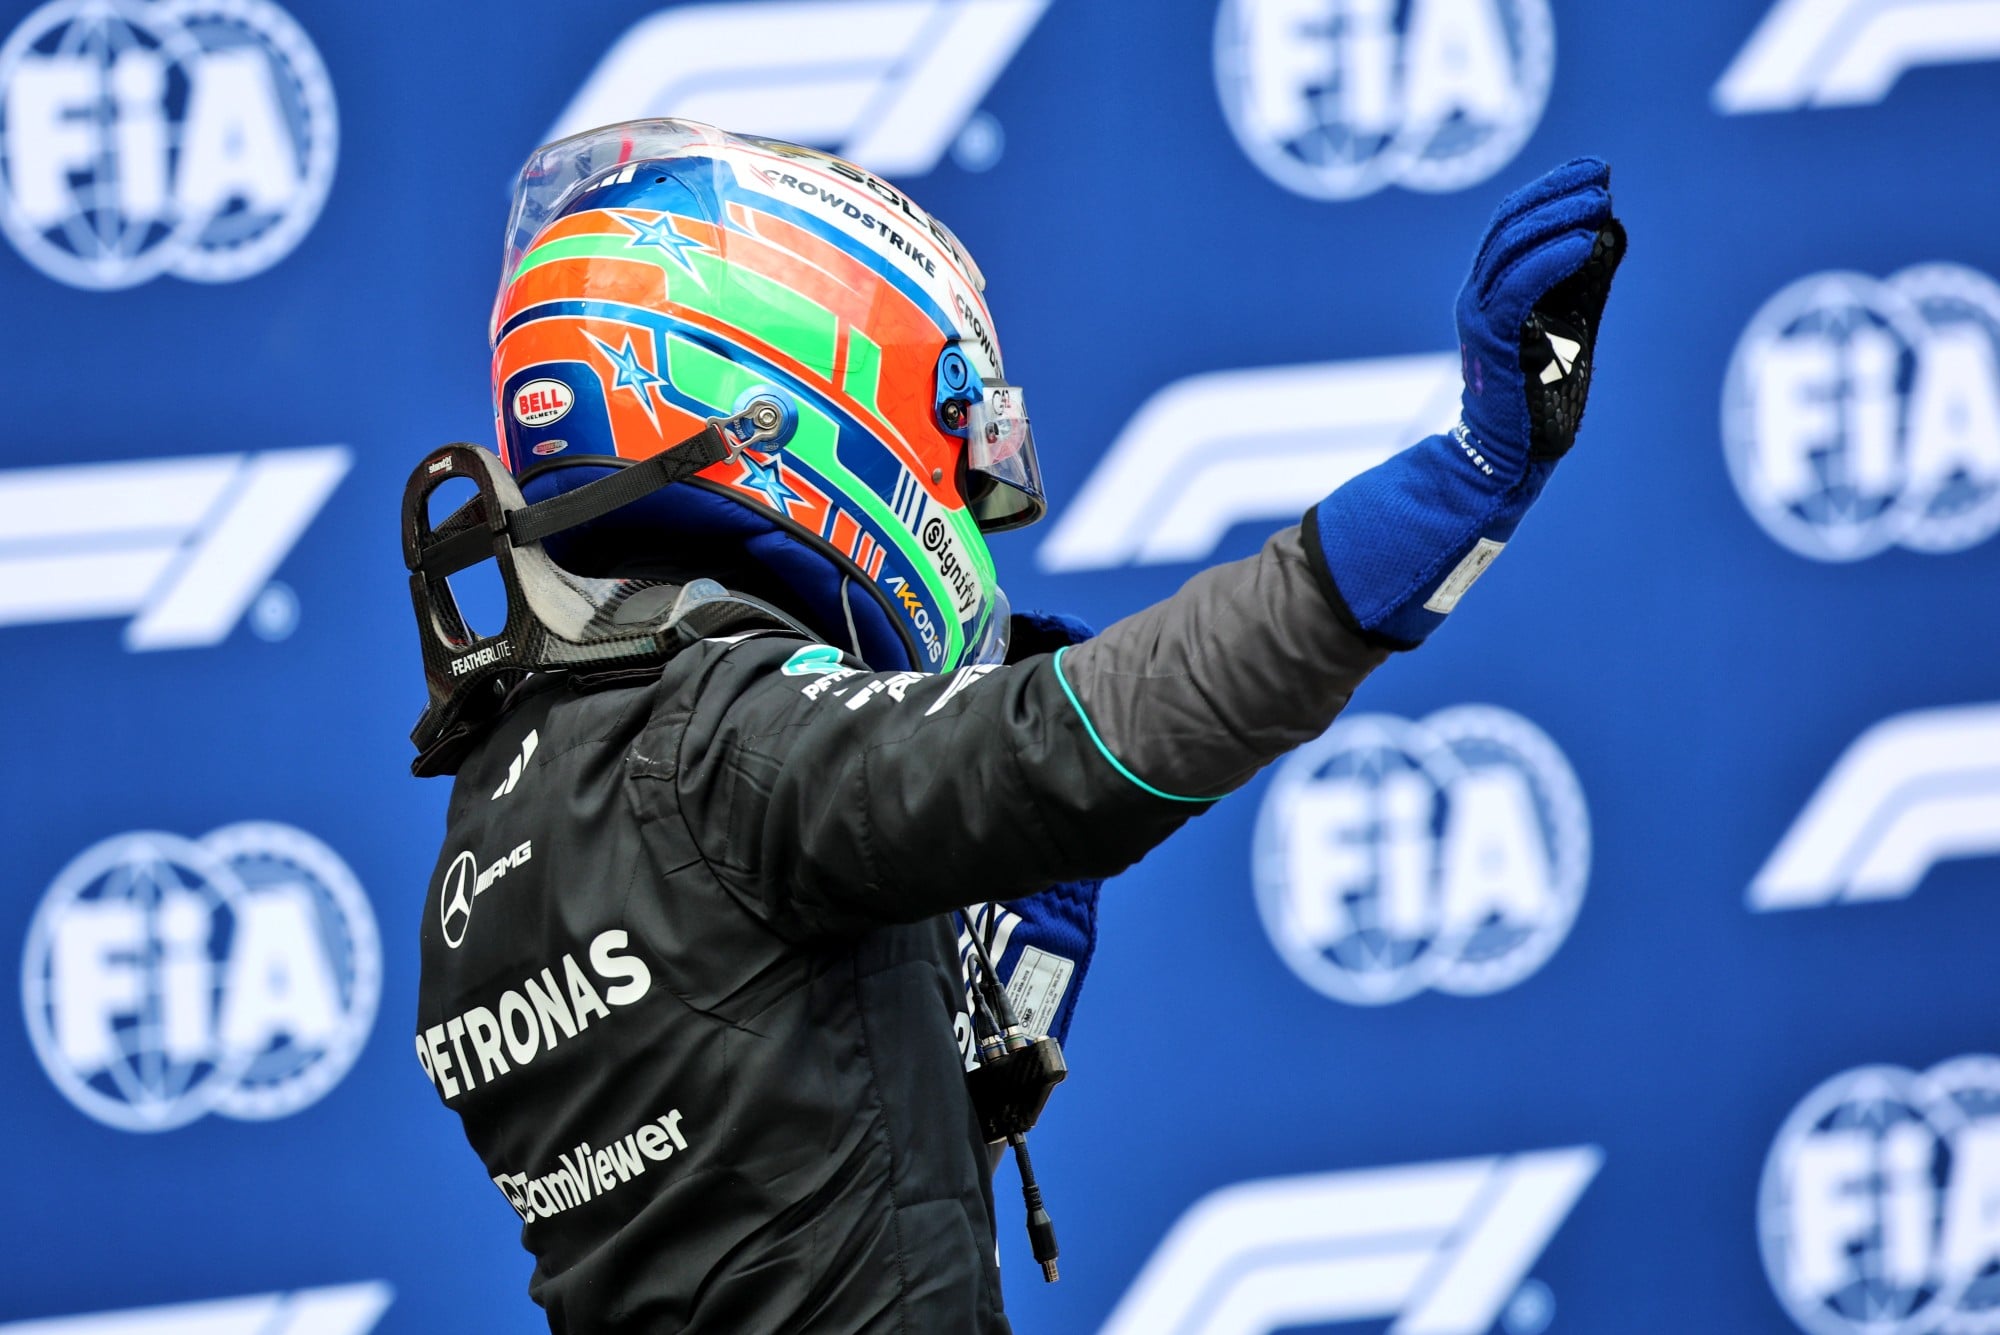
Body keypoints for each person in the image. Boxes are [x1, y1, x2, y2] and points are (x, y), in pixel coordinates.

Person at [404, 118, 1625, 1334]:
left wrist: (968, 1047)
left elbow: (789, 1212)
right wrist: (1463, 478)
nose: (967, 516)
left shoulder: (517, 796)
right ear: (782, 388)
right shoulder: (720, 743)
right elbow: (1086, 743)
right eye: (955, 447)